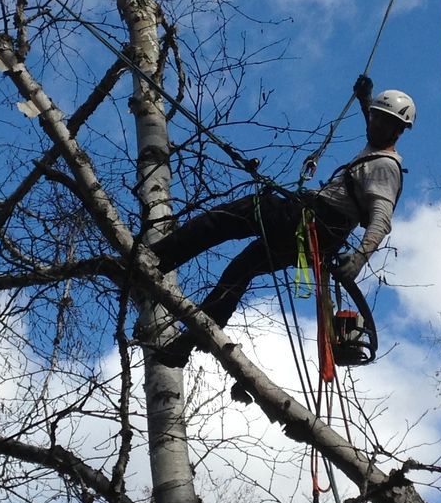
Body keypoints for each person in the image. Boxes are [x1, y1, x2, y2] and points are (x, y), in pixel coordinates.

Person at [143, 88, 415, 366]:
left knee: (234, 215)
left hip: (312, 222)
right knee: (242, 268)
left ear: (398, 131)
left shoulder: (385, 167)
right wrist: (364, 101)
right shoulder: (376, 146)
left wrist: (359, 258)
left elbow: (381, 219)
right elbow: (377, 122)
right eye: (374, 117)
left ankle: (155, 257)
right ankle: (190, 342)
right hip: (316, 238)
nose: (375, 124)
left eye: (384, 122)